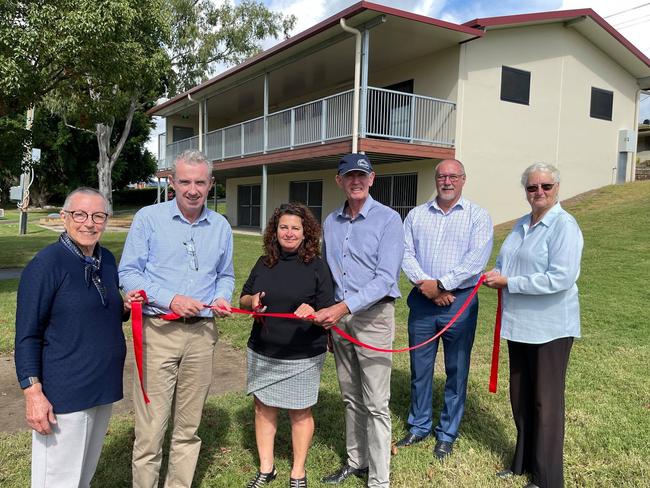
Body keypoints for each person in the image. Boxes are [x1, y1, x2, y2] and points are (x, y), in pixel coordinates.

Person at [119, 149, 235, 488]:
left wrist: (222, 296)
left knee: (188, 427)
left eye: (200, 182)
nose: (193, 189)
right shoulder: (149, 218)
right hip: (158, 332)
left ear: (211, 184)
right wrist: (171, 298)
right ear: (172, 182)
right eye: (185, 181)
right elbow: (128, 273)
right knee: (151, 429)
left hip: (201, 334)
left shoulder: (221, 226)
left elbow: (225, 275)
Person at [15, 187, 140, 488]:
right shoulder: (46, 265)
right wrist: (33, 394)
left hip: (102, 386)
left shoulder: (106, 259)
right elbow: (27, 335)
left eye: (98, 215)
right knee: (57, 480)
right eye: (79, 214)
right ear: (64, 217)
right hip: (65, 393)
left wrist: (124, 306)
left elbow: (95, 309)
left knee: (82, 475)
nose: (89, 223)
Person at [483, 163, 583, 488]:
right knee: (521, 396)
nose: (539, 192)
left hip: (551, 328)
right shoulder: (521, 225)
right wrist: (495, 275)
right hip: (519, 326)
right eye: (532, 187)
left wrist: (510, 281)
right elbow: (504, 262)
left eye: (546, 186)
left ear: (557, 188)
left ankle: (547, 478)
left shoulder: (564, 226)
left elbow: (562, 277)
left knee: (546, 401)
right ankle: (522, 463)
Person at [313, 153, 404, 488]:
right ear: (339, 180)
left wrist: (342, 308)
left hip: (374, 317)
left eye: (361, 176)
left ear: (372, 178)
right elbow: (326, 272)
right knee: (351, 397)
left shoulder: (389, 220)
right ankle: (356, 461)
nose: (356, 181)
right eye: (349, 176)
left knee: (377, 403)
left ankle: (379, 480)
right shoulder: (331, 222)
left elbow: (385, 278)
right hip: (339, 322)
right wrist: (330, 315)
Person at [398, 158, 493, 460]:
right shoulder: (416, 215)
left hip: (459, 304)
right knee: (420, 369)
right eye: (442, 176)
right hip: (423, 304)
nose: (447, 181)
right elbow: (405, 253)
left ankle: (447, 432)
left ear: (464, 179)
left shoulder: (478, 216)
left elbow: (475, 261)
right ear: (435, 180)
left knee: (457, 370)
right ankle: (419, 424)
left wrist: (440, 284)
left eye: (454, 176)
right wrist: (427, 286)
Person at [240, 203, 335, 488]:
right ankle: (267, 469)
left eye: (296, 228)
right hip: (263, 348)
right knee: (263, 407)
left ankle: (298, 472)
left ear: (306, 233)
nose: (289, 233)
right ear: (275, 231)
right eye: (284, 227)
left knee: (300, 411)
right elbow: (243, 298)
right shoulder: (263, 262)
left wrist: (313, 311)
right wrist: (253, 301)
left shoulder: (317, 266)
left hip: (303, 352)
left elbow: (328, 311)